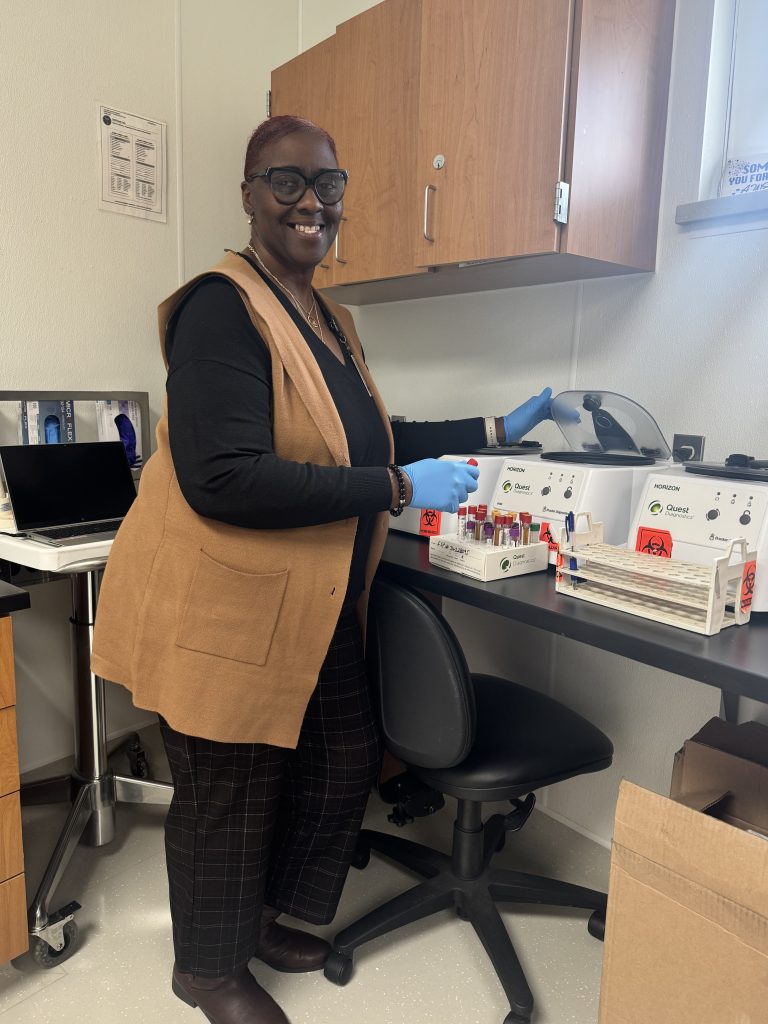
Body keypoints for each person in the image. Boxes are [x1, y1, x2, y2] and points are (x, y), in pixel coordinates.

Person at [91, 114, 554, 1024]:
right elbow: (224, 477)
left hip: (316, 598)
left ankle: (268, 918)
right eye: (287, 182)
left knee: (346, 757)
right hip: (228, 603)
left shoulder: (331, 320)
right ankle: (208, 972)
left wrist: (497, 428)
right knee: (231, 792)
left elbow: (375, 438)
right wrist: (393, 487)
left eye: (328, 185)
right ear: (250, 195)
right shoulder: (220, 306)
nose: (312, 202)